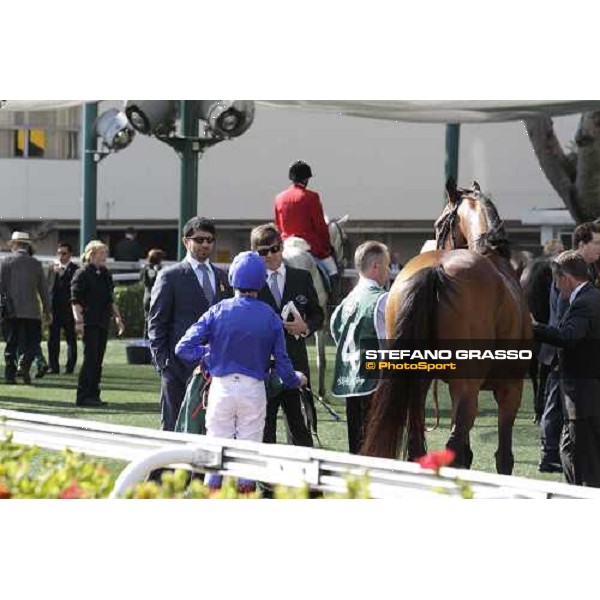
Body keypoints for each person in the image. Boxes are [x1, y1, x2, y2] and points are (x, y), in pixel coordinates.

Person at [175, 251, 307, 493]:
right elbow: (283, 363)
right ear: (261, 281)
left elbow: (183, 348)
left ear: (233, 277)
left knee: (215, 454)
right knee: (248, 459)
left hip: (221, 389)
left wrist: (209, 354)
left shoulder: (217, 310)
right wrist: (295, 379)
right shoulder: (270, 316)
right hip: (253, 391)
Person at [148, 217, 232, 431]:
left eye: (210, 240)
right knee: (174, 429)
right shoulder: (170, 276)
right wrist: (164, 365)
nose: (206, 244)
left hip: (216, 370)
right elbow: (157, 323)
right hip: (177, 369)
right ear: (186, 242)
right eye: (200, 239)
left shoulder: (223, 277)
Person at [250, 223, 324, 447]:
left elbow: (318, 315)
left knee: (300, 429)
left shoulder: (301, 277)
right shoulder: (249, 283)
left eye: (274, 249)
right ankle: (266, 482)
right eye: (263, 252)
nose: (270, 256)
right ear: (255, 254)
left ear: (282, 247)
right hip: (262, 369)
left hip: (296, 365)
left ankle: (304, 480)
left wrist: (306, 327)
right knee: (265, 431)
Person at [532, 250, 600, 487]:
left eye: (557, 282)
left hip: (584, 397)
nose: (557, 289)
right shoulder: (592, 297)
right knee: (569, 450)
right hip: (583, 396)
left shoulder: (584, 303)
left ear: (566, 278)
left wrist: (534, 327)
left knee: (586, 462)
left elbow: (568, 336)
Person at [330, 241, 390, 454]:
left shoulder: (346, 301)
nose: (389, 270)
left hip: (348, 380)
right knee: (375, 449)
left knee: (355, 446)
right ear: (375, 267)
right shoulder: (382, 299)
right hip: (373, 381)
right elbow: (388, 347)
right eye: (386, 265)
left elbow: (335, 330)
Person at [71, 240, 125, 407]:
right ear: (91, 254)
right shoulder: (82, 274)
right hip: (89, 322)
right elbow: (75, 299)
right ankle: (83, 395)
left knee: (98, 360)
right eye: (102, 253)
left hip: (102, 321)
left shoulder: (105, 274)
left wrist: (118, 318)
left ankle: (94, 394)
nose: (105, 257)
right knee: (90, 359)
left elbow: (110, 299)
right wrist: (78, 321)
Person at [274, 160, 338, 286]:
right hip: (309, 245)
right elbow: (320, 227)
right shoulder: (311, 197)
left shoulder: (279, 198)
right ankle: (332, 301)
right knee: (333, 270)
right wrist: (327, 248)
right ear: (306, 179)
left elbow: (279, 226)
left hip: (287, 244)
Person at [0, 231, 51, 385]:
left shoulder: (5, 262)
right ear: (27, 246)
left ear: (14, 245)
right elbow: (43, 290)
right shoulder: (35, 264)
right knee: (33, 342)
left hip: (11, 310)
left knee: (11, 343)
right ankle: (25, 365)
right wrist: (47, 311)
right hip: (32, 311)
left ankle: (10, 374)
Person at [47, 242, 78, 375]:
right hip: (55, 309)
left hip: (69, 310)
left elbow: (74, 288)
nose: (61, 256)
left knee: (71, 339)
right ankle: (53, 366)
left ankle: (70, 367)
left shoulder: (75, 269)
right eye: (59, 253)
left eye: (64, 253)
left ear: (70, 255)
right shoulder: (51, 268)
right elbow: (48, 288)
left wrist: (62, 275)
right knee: (53, 339)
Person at [140, 248, 165, 339]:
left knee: (147, 319)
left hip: (147, 295)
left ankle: (146, 339)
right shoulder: (154, 268)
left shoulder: (145, 267)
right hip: (153, 295)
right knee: (153, 319)